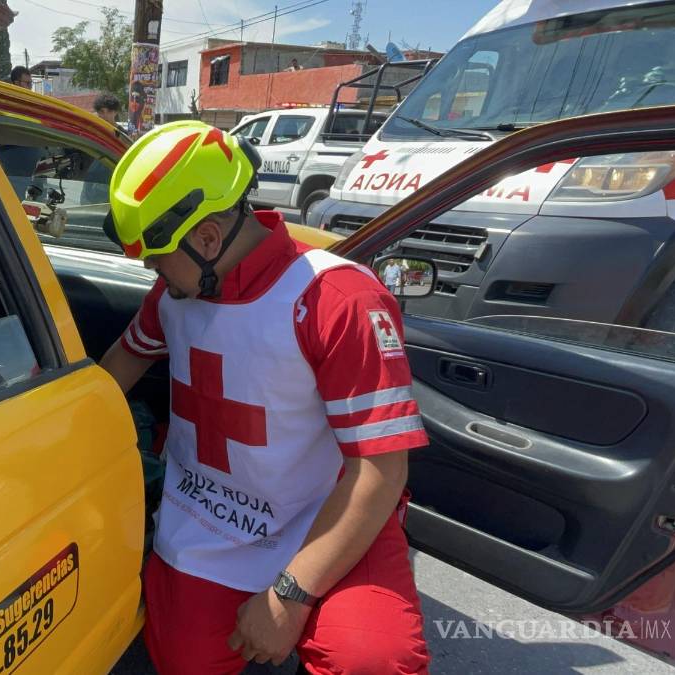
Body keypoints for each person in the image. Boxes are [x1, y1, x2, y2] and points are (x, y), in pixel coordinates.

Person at [100, 121, 430, 674]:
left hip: (323, 516)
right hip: (205, 519)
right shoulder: (176, 293)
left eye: (156, 257)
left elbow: (380, 474)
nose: (151, 270)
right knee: (185, 661)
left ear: (207, 238)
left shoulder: (338, 300)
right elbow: (117, 372)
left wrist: (289, 596)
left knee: (374, 660)